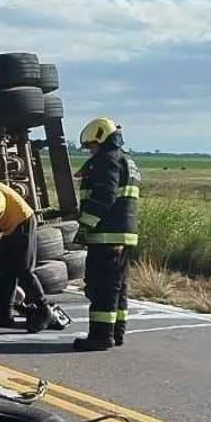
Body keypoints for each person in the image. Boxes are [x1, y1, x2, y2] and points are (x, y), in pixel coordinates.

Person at [72, 117, 141, 352]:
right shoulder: (126, 160)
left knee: (102, 288)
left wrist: (85, 226)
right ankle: (116, 332)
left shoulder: (106, 160)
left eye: (92, 146)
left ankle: (101, 337)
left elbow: (104, 197)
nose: (91, 151)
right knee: (117, 287)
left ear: (100, 138)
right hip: (123, 235)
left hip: (106, 236)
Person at [0, 176, 53, 333]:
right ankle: (5, 314)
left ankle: (44, 309)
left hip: (22, 220)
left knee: (23, 269)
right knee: (7, 271)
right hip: (11, 225)